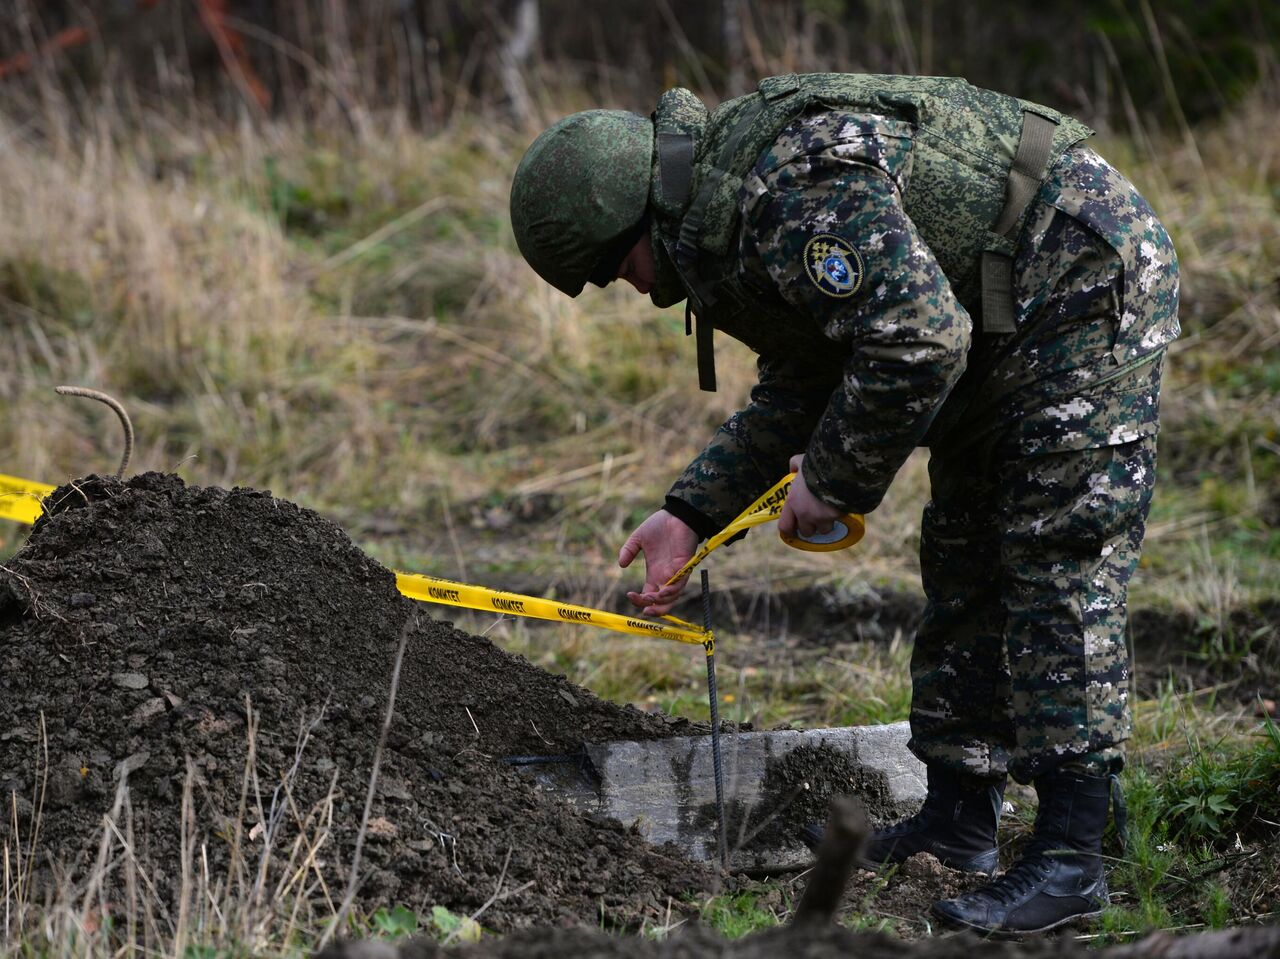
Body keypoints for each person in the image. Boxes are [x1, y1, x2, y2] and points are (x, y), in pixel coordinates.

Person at [509, 73, 1178, 935]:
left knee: (1055, 557)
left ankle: (1072, 857)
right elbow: (805, 371)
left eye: (614, 271)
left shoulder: (785, 190)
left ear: (630, 222)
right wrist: (692, 512)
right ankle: (960, 819)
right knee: (964, 551)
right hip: (995, 308)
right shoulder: (722, 218)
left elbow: (917, 340)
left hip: (1080, 279)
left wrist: (832, 479)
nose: (632, 290)